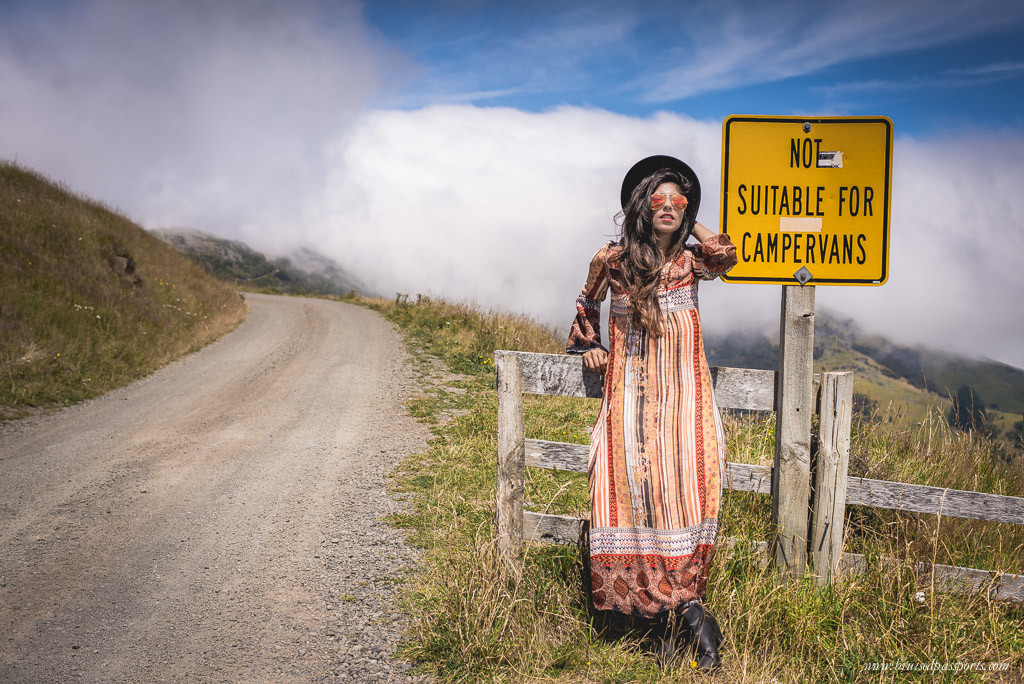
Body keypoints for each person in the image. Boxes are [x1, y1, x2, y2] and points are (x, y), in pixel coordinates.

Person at [565, 155, 737, 671]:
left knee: (684, 499)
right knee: (631, 499)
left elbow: (726, 253)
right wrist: (589, 346)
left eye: (677, 200)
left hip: (684, 403)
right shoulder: (613, 261)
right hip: (630, 402)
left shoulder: (691, 263)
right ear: (640, 206)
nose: (668, 207)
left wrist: (693, 213)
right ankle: (659, 624)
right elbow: (583, 306)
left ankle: (687, 611)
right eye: (657, 199)